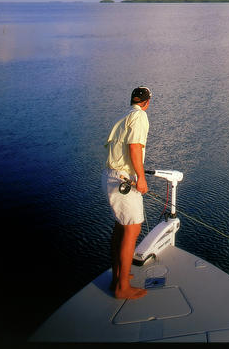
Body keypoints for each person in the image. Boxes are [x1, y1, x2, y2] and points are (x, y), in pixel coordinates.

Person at [102, 86, 152, 299]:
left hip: (110, 176)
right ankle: (122, 288)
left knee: (121, 228)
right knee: (132, 230)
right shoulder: (140, 116)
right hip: (123, 179)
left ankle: (118, 277)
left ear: (133, 100)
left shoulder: (125, 115)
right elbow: (135, 148)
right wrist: (141, 178)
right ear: (147, 102)